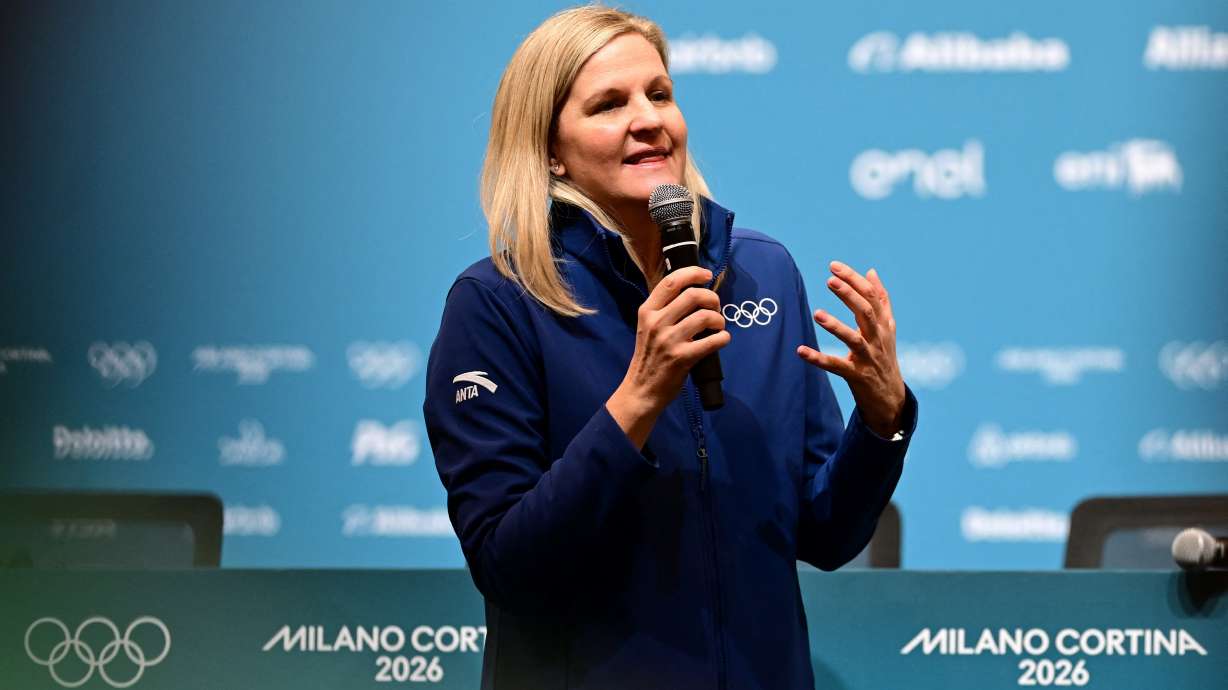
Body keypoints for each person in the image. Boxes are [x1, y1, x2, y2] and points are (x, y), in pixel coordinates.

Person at [423, 6, 918, 689]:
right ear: (549, 150)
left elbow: (829, 532)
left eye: (659, 94)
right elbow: (510, 567)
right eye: (609, 104)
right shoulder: (497, 304)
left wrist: (883, 419)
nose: (649, 119)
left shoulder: (763, 273)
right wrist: (638, 398)